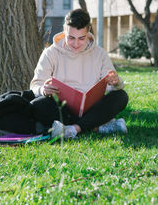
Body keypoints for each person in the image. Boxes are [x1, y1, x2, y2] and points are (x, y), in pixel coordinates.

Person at [30, 9, 128, 139]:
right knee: (37, 105)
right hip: (64, 108)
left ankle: (72, 129)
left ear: (88, 32)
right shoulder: (50, 53)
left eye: (81, 38)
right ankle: (97, 126)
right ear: (65, 30)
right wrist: (43, 89)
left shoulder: (100, 53)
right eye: (71, 38)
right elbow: (35, 85)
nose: (76, 44)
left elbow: (111, 87)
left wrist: (116, 82)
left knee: (121, 96)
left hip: (92, 107)